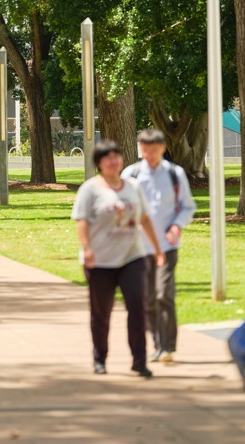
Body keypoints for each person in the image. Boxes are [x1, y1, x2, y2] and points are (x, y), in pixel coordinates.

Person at [72, 140, 166, 378]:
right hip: (100, 260)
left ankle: (139, 360)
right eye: (107, 158)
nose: (113, 161)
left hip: (132, 256)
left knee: (137, 307)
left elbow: (144, 219)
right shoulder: (90, 189)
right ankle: (99, 358)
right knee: (101, 312)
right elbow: (81, 221)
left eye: (116, 156)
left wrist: (157, 248)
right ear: (99, 164)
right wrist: (87, 249)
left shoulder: (133, 186)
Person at [121, 128, 196, 363]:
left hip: (167, 245)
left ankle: (168, 347)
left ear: (163, 148)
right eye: (145, 150)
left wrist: (177, 226)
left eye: (153, 150)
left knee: (165, 294)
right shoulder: (130, 175)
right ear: (139, 149)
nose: (149, 154)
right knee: (147, 298)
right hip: (139, 248)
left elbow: (187, 206)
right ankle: (156, 343)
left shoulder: (175, 174)